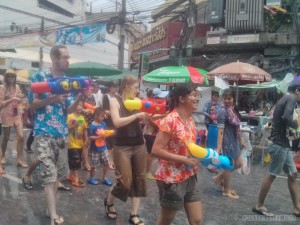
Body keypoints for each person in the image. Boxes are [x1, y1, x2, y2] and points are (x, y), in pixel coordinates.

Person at [28, 45, 83, 225]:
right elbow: (32, 105)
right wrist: (52, 98)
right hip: (43, 132)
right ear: (54, 57)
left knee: (57, 176)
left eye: (68, 57)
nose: (67, 60)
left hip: (61, 133)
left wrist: (79, 97)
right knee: (49, 176)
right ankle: (53, 217)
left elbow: (67, 109)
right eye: (64, 57)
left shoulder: (67, 81)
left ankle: (50, 210)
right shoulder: (39, 77)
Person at [151, 84, 203, 225]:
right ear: (181, 98)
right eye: (193, 95)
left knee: (197, 220)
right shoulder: (170, 120)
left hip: (189, 175)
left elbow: (189, 148)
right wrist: (184, 160)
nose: (196, 98)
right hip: (171, 178)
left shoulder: (190, 120)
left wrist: (207, 158)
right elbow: (156, 150)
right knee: (166, 220)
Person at [252, 80, 300, 217]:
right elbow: (286, 117)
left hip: (283, 144)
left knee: (293, 174)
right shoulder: (291, 98)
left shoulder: (285, 98)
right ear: (297, 91)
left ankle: (297, 208)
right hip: (279, 144)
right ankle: (259, 205)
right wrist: (296, 125)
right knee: (272, 174)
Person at [104, 75, 147, 224]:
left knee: (139, 179)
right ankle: (109, 202)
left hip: (139, 144)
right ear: (127, 86)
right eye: (135, 87)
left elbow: (140, 121)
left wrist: (144, 119)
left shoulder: (136, 102)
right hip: (122, 146)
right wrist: (136, 116)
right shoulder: (114, 101)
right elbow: (116, 122)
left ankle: (134, 214)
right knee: (124, 181)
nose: (137, 90)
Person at [213, 89, 245, 199]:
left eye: (229, 98)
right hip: (227, 141)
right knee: (229, 166)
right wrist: (218, 147)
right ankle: (226, 190)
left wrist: (241, 140)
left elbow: (237, 127)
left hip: (234, 140)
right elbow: (220, 130)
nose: (227, 101)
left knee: (239, 163)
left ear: (233, 99)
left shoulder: (233, 109)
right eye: (225, 98)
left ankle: (218, 178)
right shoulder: (222, 111)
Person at [0, 69, 27, 168]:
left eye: (12, 76)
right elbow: (1, 103)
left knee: (21, 136)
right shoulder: (2, 87)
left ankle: (19, 159)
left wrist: (21, 99)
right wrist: (13, 98)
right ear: (6, 77)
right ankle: (2, 156)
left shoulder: (17, 87)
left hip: (16, 113)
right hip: (6, 114)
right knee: (6, 137)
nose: (11, 78)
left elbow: (20, 99)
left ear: (15, 77)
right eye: (9, 76)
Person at [143, 88, 168, 180]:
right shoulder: (152, 106)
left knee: (157, 153)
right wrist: (163, 118)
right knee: (150, 153)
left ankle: (159, 171)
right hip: (150, 133)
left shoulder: (159, 106)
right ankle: (147, 172)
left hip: (155, 133)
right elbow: (150, 120)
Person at [87, 106, 114, 186]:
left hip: (103, 147)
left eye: (104, 116)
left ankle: (105, 177)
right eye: (102, 116)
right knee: (93, 165)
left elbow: (105, 133)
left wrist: (109, 134)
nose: (104, 117)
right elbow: (90, 137)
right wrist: (98, 137)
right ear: (95, 115)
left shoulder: (103, 124)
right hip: (94, 149)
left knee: (106, 162)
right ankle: (91, 178)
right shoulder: (92, 126)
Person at [66, 100, 88, 187]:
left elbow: (85, 129)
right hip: (72, 143)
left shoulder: (82, 117)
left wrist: (86, 139)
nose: (79, 107)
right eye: (78, 105)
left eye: (81, 106)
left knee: (75, 160)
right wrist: (72, 126)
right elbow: (66, 128)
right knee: (76, 160)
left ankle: (71, 175)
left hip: (80, 143)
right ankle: (76, 178)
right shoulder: (70, 116)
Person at [102, 81, 119, 170]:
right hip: (108, 123)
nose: (116, 89)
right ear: (110, 88)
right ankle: (109, 161)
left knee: (114, 142)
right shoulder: (106, 96)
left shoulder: (117, 97)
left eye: (117, 87)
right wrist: (114, 113)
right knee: (109, 142)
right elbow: (105, 111)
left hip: (115, 122)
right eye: (114, 87)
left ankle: (112, 160)